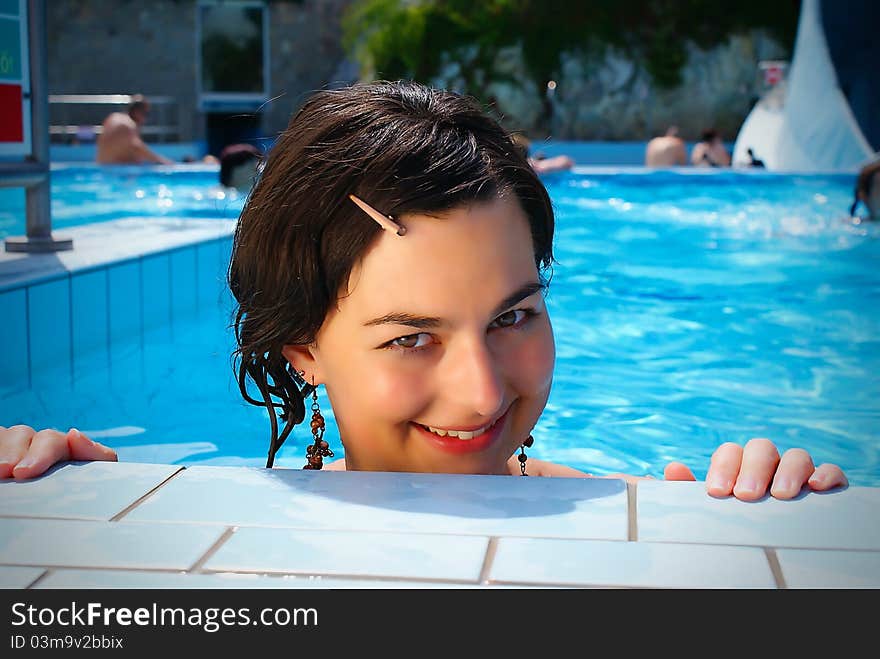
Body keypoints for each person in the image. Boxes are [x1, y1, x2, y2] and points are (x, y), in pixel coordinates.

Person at [0, 80, 847, 501]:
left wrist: (756, 499)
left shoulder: (621, 509)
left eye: (515, 313)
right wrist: (68, 492)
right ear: (302, 347)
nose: (483, 393)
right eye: (412, 335)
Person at [95, 94, 173, 165]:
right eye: (146, 114)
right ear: (137, 112)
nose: (146, 120)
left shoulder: (112, 117)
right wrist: (163, 161)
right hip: (115, 173)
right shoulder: (129, 125)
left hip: (101, 167)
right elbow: (137, 147)